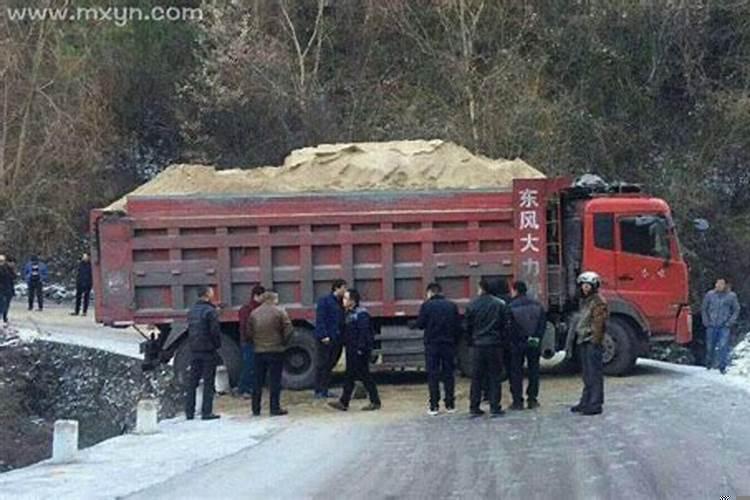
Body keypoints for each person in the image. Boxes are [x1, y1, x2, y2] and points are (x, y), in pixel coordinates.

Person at [411, 282, 461, 416]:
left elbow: (421, 324)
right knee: (448, 374)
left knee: (433, 375)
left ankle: (434, 406)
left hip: (432, 345)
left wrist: (412, 324)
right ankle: (450, 404)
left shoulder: (426, 306)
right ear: (440, 291)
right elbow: (458, 326)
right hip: (448, 344)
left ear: (430, 292)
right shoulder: (451, 306)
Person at [328, 288, 381, 412]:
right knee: (351, 375)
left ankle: (374, 401)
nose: (343, 301)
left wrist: (360, 349)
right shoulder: (348, 314)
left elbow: (364, 333)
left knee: (363, 376)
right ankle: (344, 402)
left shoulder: (361, 314)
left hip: (359, 351)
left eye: (346, 298)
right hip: (352, 350)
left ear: (352, 300)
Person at [465, 278, 510, 417]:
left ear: (481, 288)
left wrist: (471, 342)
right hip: (494, 345)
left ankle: (474, 407)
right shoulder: (500, 304)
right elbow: (505, 326)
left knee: (476, 378)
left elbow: (468, 327)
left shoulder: (472, 305)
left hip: (478, 346)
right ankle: (495, 407)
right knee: (495, 377)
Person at [246, 291, 293, 416]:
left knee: (257, 381)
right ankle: (274, 408)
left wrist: (255, 342)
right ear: (273, 299)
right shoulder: (280, 311)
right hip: (276, 350)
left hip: (259, 351)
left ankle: (255, 409)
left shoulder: (254, 313)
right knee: (275, 381)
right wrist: (284, 342)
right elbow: (289, 329)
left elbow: (249, 332)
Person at [570, 272, 608, 416]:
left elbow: (599, 324)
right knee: (587, 374)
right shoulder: (585, 301)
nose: (585, 288)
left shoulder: (598, 302)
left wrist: (594, 341)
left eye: (588, 285)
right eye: (583, 285)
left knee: (594, 373)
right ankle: (585, 401)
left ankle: (595, 403)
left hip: (591, 341)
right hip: (584, 340)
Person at [184, 286, 222, 421]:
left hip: (194, 350)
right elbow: (215, 332)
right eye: (211, 291)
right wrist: (217, 346)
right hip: (208, 350)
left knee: (192, 382)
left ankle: (189, 411)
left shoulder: (192, 311)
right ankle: (207, 412)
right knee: (208, 381)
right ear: (207, 294)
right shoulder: (210, 311)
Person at [508, 281, 546, 410]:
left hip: (517, 343)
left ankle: (517, 401)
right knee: (533, 370)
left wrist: (516, 340)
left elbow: (510, 328)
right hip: (534, 342)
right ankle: (532, 399)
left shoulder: (511, 306)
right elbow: (542, 325)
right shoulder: (537, 305)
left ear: (515, 290)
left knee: (516, 371)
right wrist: (536, 337)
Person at [313, 278, 347, 399]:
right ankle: (319, 390)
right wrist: (323, 335)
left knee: (330, 364)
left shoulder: (341, 302)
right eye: (344, 288)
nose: (345, 291)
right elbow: (320, 319)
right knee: (322, 364)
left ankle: (325, 389)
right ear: (337, 288)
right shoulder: (325, 301)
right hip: (326, 338)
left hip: (337, 338)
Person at [702, 278, 741, 374]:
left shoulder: (731, 296)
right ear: (715, 285)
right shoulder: (710, 295)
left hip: (724, 326)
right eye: (717, 284)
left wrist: (730, 322)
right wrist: (706, 321)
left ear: (725, 285)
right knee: (710, 345)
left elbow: (736, 309)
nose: (719, 286)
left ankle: (722, 367)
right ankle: (708, 364)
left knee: (723, 346)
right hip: (711, 325)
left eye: (721, 284)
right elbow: (704, 308)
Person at [237, 285, 266, 398]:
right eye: (262, 296)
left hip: (253, 340)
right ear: (256, 296)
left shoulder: (250, 308)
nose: (264, 299)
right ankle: (244, 388)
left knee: (253, 365)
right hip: (249, 341)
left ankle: (249, 387)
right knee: (249, 365)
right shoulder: (248, 309)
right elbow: (245, 326)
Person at [0, 255, 16, 324]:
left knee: (6, 305)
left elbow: (12, 278)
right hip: (2, 289)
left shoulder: (10, 269)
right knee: (3, 304)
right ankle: (2, 317)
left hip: (8, 289)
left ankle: (4, 317)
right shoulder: (3, 269)